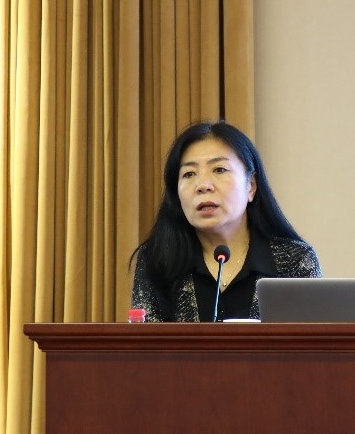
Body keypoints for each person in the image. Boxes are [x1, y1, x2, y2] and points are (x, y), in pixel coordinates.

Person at [130, 120, 321, 321]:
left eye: (219, 170)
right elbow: (146, 340)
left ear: (251, 186)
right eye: (189, 174)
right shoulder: (157, 261)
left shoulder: (294, 261)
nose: (203, 185)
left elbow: (313, 339)